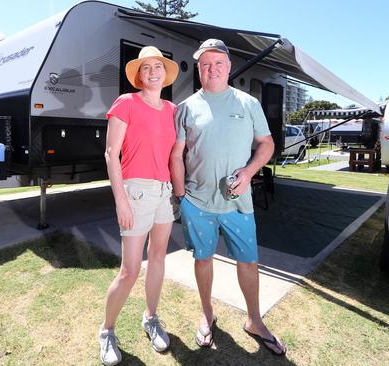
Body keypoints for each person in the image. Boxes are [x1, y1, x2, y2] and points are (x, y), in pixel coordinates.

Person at [170, 39, 286, 356]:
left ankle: (254, 320)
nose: (212, 68)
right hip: (197, 202)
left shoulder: (248, 104)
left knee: (248, 263)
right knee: (202, 259)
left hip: (239, 204)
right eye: (205, 63)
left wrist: (248, 173)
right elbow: (176, 155)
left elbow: (266, 144)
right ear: (198, 69)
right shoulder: (186, 107)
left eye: (218, 62)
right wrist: (181, 196)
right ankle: (207, 315)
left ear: (229, 66)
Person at [99, 46, 179, 366]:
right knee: (130, 270)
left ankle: (151, 317)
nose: (153, 71)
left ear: (164, 73)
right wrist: (121, 199)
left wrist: (179, 190)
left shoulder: (173, 109)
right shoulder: (126, 102)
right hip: (137, 191)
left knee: (158, 257)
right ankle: (106, 331)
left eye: (157, 66)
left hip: (165, 191)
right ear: (138, 75)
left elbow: (176, 154)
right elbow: (110, 154)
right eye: (146, 68)